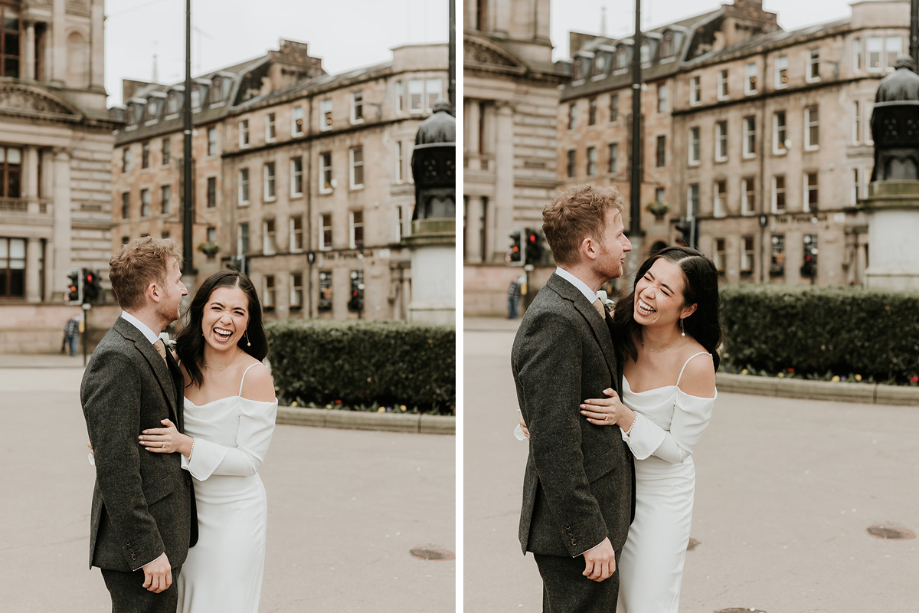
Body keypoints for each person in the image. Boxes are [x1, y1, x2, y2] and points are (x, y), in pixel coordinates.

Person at [520, 245, 721, 612]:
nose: (648, 292)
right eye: (647, 278)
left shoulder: (696, 363)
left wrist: (625, 417)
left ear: (688, 309)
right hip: (611, 486)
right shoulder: (617, 329)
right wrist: (541, 412)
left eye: (665, 290)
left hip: (660, 495)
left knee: (647, 602)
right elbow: (573, 383)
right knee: (608, 598)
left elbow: (679, 450)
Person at [511, 184, 636, 612]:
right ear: (589, 246)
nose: (627, 244)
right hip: (576, 535)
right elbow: (554, 443)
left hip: (592, 522)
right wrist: (588, 536)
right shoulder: (554, 318)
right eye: (618, 233)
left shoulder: (581, 304)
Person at [137, 268, 277, 613]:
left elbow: (249, 461)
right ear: (200, 312)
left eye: (238, 311)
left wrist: (185, 445)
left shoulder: (254, 375)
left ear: (248, 323)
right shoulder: (176, 363)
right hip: (184, 513)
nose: (225, 319)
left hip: (235, 514)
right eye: (218, 308)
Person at [80, 237, 197, 612]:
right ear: (154, 290)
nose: (183, 288)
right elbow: (116, 469)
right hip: (143, 553)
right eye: (177, 279)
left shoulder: (149, 345)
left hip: (164, 533)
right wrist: (147, 552)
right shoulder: (117, 357)